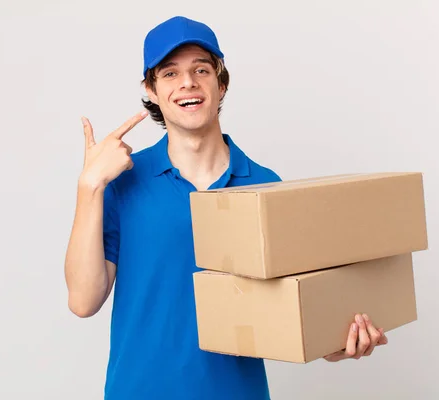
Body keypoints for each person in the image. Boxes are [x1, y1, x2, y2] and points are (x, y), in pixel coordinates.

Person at [64, 15, 388, 400]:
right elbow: (83, 302)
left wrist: (338, 344)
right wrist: (90, 186)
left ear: (221, 83)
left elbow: (298, 311)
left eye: (201, 69)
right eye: (169, 73)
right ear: (150, 90)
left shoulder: (266, 186)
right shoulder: (123, 181)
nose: (188, 82)